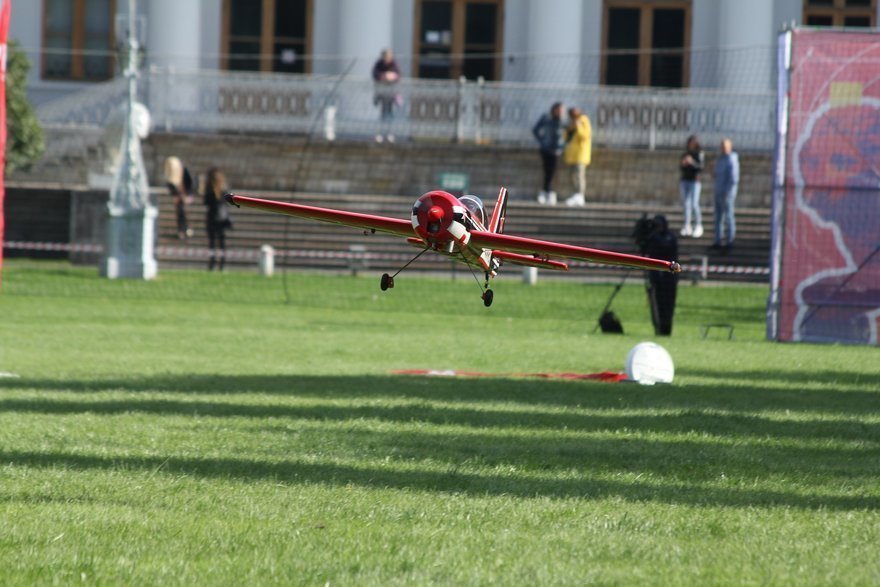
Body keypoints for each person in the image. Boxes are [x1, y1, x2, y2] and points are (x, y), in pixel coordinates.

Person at [642, 215, 679, 336]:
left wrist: (654, 236)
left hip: (669, 279)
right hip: (656, 278)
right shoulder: (653, 238)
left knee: (668, 305)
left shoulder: (669, 237)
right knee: (656, 303)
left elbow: (666, 247)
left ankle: (666, 329)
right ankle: (657, 327)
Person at [532, 102, 565, 205]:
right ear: (554, 110)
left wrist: (564, 144)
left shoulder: (563, 121)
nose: (560, 112)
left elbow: (568, 132)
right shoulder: (546, 118)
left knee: (552, 171)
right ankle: (547, 192)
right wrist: (542, 140)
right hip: (546, 149)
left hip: (557, 149)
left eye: (562, 111)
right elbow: (535, 129)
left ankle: (547, 192)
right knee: (547, 170)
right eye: (559, 110)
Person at [712, 138, 740, 252]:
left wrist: (727, 191)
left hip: (726, 193)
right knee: (718, 217)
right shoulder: (721, 159)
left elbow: (734, 178)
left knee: (728, 216)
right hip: (718, 191)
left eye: (724, 146)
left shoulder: (731, 159)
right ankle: (718, 240)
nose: (722, 148)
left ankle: (730, 240)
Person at [563, 106, 592, 207]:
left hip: (581, 154)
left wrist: (578, 126)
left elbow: (585, 135)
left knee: (579, 175)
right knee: (572, 176)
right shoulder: (570, 122)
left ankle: (580, 195)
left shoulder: (584, 121)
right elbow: (566, 137)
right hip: (572, 154)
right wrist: (570, 128)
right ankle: (575, 194)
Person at [204, 167, 231, 271]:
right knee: (222, 243)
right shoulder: (224, 189)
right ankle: (222, 265)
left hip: (212, 218)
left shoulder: (209, 190)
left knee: (212, 243)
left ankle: (212, 264)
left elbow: (205, 202)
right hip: (222, 218)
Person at [372, 48, 401, 143]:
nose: (388, 58)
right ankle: (380, 134)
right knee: (382, 114)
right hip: (381, 93)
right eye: (386, 56)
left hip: (391, 94)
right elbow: (375, 74)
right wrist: (383, 76)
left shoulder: (394, 64)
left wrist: (392, 76)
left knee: (390, 114)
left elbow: (398, 75)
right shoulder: (379, 64)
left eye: (389, 56)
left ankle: (390, 134)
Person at [679, 135, 705, 238]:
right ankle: (687, 225)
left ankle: (698, 224)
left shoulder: (699, 154)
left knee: (694, 203)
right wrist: (684, 164)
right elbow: (681, 167)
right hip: (685, 180)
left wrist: (692, 162)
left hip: (695, 181)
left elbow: (701, 167)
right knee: (686, 204)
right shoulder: (685, 154)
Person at [164, 156, 195, 239]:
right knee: (180, 213)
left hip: (185, 195)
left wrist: (188, 195)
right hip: (179, 197)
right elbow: (171, 186)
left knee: (182, 212)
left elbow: (190, 183)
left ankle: (185, 229)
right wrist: (176, 195)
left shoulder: (184, 171)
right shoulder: (171, 175)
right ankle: (182, 229)